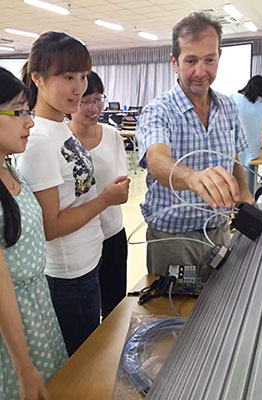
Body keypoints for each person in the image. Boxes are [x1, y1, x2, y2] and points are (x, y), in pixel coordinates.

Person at [16, 32, 129, 356]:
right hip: (68, 278)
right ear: (37, 78)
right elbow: (50, 226)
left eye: (82, 76)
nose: (79, 87)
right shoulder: (38, 141)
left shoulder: (59, 130)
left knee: (91, 353)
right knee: (81, 363)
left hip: (86, 265)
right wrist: (105, 199)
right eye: (68, 77)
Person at [136, 12, 253, 282]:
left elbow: (232, 158)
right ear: (174, 63)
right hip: (172, 241)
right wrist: (192, 177)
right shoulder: (158, 110)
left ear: (219, 58)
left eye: (209, 60)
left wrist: (245, 197)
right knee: (173, 318)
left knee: (220, 314)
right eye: (191, 61)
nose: (201, 72)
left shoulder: (228, 108)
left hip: (219, 234)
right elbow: (157, 160)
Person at [0, 67, 67, 399]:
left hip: (36, 307)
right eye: (19, 111)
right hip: (11, 327)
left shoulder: (8, 167)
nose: (29, 121)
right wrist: (22, 365)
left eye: (28, 111)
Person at [69, 71, 128, 319]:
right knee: (86, 315)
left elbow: (123, 190)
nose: (93, 108)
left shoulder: (112, 135)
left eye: (98, 99)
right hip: (79, 239)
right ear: (72, 102)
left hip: (112, 234)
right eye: (86, 101)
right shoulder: (63, 141)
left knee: (115, 307)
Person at [231, 75, 262, 193]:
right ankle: (248, 205)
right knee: (248, 185)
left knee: (233, 182)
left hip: (232, 149)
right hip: (253, 150)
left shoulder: (234, 97)